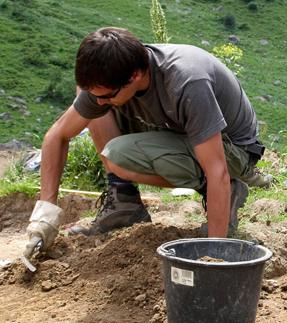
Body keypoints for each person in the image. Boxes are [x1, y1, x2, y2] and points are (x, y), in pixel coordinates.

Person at [23, 27, 266, 258]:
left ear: (135, 75)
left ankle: (228, 191)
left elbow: (218, 170)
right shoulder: (113, 79)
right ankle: (123, 202)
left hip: (233, 149)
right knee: (93, 106)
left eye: (108, 94)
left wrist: (214, 254)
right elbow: (57, 135)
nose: (99, 102)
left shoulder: (186, 82)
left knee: (118, 154)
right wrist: (45, 216)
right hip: (179, 132)